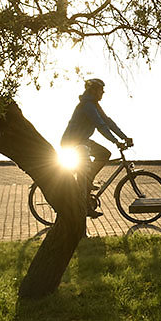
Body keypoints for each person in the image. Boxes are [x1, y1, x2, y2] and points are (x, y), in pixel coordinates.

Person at [61, 78, 133, 217]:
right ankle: (85, 203)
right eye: (101, 90)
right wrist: (116, 142)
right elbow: (101, 126)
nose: (103, 93)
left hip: (82, 141)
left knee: (104, 154)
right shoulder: (87, 105)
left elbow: (108, 122)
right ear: (93, 91)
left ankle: (87, 181)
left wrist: (124, 137)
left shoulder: (93, 104)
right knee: (88, 168)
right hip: (73, 143)